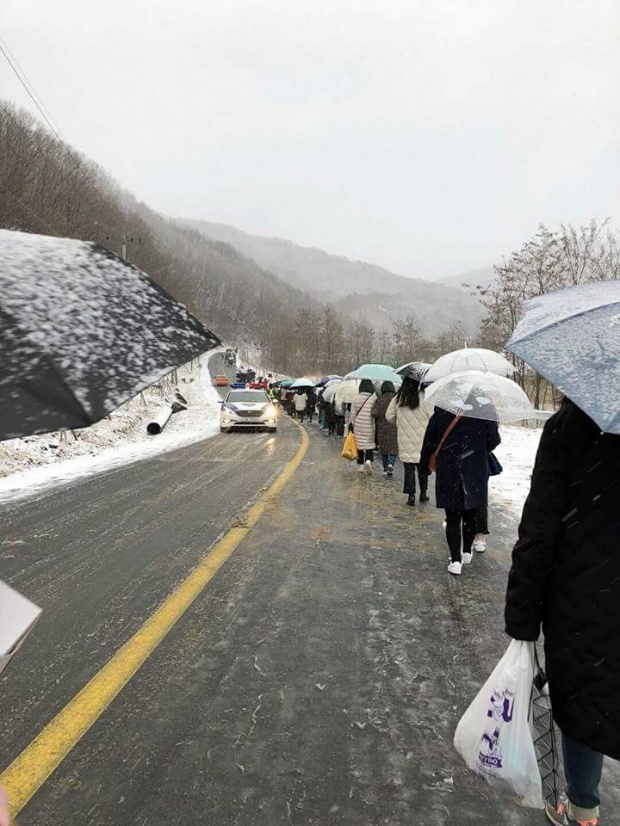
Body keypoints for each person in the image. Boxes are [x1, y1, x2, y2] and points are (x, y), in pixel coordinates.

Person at [505, 399, 620, 826]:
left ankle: (583, 808)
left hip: (581, 601)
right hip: (590, 596)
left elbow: (539, 528)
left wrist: (523, 618)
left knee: (585, 702)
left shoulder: (569, 427)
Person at [420, 401, 500, 575]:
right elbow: (493, 442)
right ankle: (467, 551)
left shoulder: (443, 408)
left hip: (449, 467)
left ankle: (455, 561)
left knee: (453, 516)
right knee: (471, 512)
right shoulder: (485, 410)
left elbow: (430, 439)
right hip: (475, 468)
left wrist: (423, 466)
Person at [386, 376, 432, 504]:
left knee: (409, 468)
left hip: (405, 437)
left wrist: (400, 424)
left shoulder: (399, 398)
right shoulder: (424, 397)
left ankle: (411, 496)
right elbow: (432, 416)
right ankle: (423, 493)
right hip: (423, 438)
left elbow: (389, 415)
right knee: (422, 467)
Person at [350, 379, 377, 474]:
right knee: (369, 444)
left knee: (359, 445)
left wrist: (352, 423)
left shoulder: (356, 398)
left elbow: (353, 413)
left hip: (358, 425)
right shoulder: (373, 398)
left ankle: (360, 465)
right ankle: (368, 460)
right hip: (370, 424)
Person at [372, 381, 398, 477]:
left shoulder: (379, 399)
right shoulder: (397, 399)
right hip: (394, 426)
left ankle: (385, 468)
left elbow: (374, 413)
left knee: (384, 449)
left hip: (382, 427)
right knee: (394, 448)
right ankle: (391, 463)